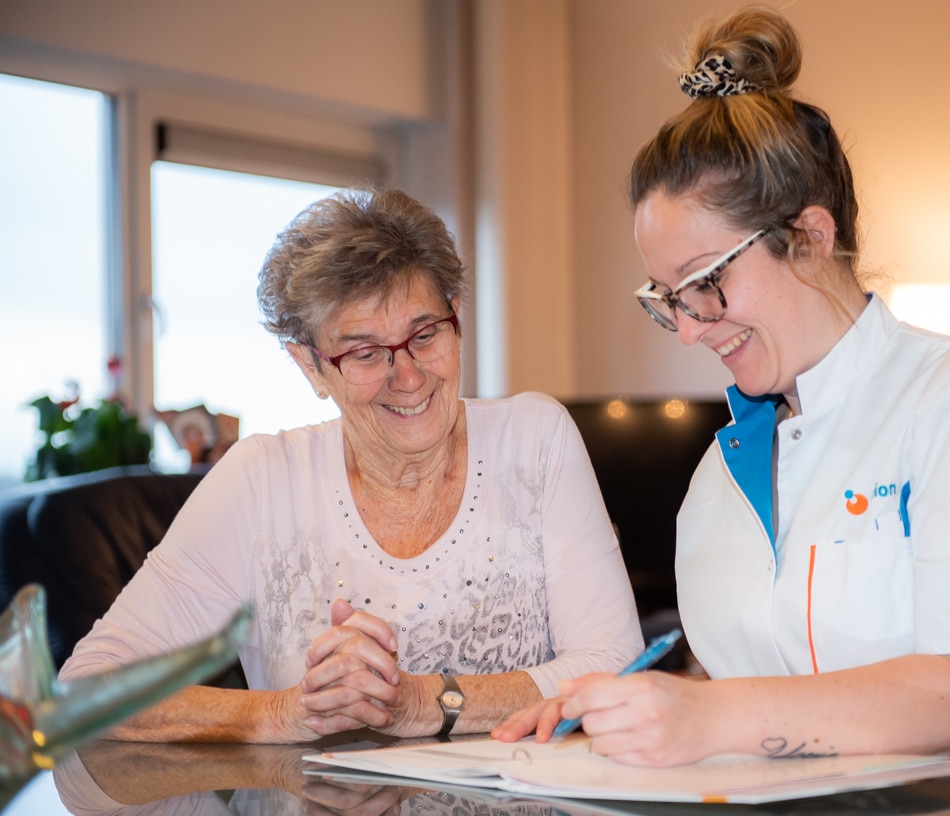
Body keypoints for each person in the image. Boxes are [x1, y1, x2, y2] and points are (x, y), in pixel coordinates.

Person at [493, 7, 950, 815]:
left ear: (808, 236)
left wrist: (709, 717)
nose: (691, 327)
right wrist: (632, 707)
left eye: (706, 282)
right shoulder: (718, 477)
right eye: (668, 298)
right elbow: (766, 679)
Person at [59, 187, 643, 743]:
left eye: (425, 334)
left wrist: (421, 703)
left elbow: (614, 665)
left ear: (457, 317)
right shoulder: (261, 482)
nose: (408, 376)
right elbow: (86, 688)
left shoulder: (535, 440)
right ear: (310, 366)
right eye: (365, 353)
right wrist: (290, 713)